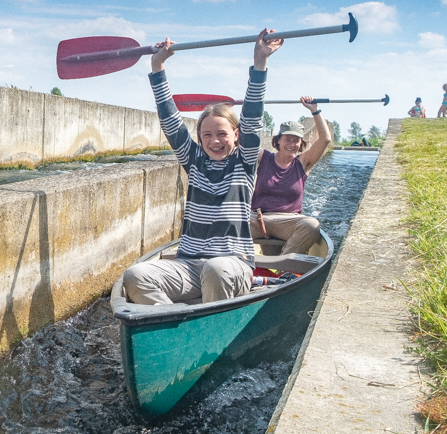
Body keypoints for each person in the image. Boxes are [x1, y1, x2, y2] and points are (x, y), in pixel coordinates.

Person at [123, 29, 284, 305]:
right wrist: (157, 66)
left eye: (222, 133)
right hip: (189, 266)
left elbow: (253, 115)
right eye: (206, 135)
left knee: (216, 268)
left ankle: (212, 326)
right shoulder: (194, 160)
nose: (214, 140)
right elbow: (170, 121)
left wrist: (260, 63)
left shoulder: (244, 161)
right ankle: (173, 322)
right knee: (135, 275)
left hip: (233, 264)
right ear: (199, 139)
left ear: (236, 134)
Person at [249, 99, 332, 255]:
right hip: (257, 218)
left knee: (311, 224)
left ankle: (285, 264)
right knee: (229, 218)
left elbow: (325, 139)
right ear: (278, 140)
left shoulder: (303, 162)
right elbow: (243, 143)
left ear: (301, 144)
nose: (292, 144)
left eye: (296, 141)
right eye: (287, 139)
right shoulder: (263, 157)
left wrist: (314, 110)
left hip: (287, 222)